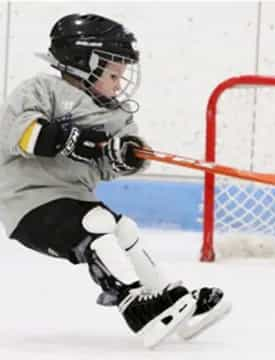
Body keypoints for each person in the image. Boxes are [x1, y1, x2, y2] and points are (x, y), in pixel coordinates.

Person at [0, 13, 231, 348]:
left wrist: (127, 156)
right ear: (82, 62)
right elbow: (21, 135)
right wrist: (72, 139)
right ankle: (135, 305)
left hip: (73, 199)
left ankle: (168, 299)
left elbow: (115, 164)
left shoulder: (114, 114)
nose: (119, 83)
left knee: (124, 229)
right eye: (113, 74)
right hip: (26, 203)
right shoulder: (41, 90)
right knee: (99, 222)